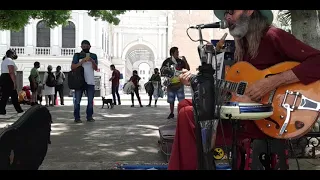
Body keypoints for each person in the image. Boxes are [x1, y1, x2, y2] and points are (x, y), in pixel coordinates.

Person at [168, 10, 320, 170]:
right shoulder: (242, 47)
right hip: (246, 118)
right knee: (184, 105)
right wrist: (196, 81)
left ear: (249, 11)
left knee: (188, 115)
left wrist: (273, 81)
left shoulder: (273, 35)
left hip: (269, 119)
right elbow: (235, 91)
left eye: (231, 12)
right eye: (225, 13)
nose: (227, 17)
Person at [71, 40, 98, 123]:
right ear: (81, 47)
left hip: (90, 81)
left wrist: (92, 61)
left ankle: (89, 116)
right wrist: (82, 62)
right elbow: (73, 67)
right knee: (77, 101)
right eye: (84, 46)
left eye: (87, 46)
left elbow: (96, 68)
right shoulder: (77, 55)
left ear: (90, 47)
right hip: (79, 81)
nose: (85, 47)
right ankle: (77, 117)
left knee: (90, 101)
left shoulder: (93, 56)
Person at [161, 47, 190, 119]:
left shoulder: (180, 61)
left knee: (181, 100)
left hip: (179, 84)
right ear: (172, 53)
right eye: (176, 52)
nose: (178, 53)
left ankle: (181, 113)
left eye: (178, 52)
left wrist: (185, 61)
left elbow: (187, 69)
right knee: (171, 100)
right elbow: (162, 71)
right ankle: (171, 113)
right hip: (170, 85)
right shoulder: (167, 62)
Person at [0, 49, 24, 117]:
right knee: (10, 96)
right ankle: (18, 111)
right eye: (14, 53)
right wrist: (14, 82)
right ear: (11, 54)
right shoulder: (10, 61)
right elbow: (11, 72)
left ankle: (3, 111)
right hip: (8, 78)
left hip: (3, 77)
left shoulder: (4, 61)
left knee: (7, 95)